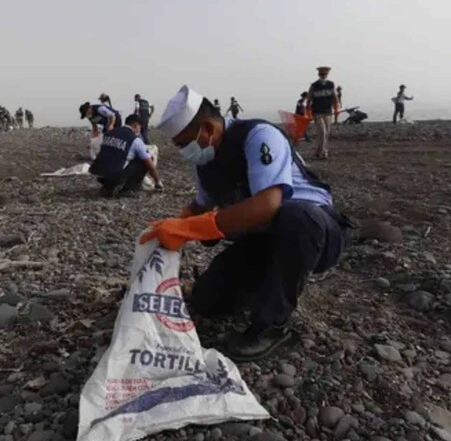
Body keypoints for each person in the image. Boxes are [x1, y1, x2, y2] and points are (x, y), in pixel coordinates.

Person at [143, 85, 347, 362]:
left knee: (296, 216)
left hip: (315, 232)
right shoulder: (206, 161)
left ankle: (274, 325)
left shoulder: (258, 136)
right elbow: (200, 207)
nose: (183, 152)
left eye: (183, 144)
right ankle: (268, 286)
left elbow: (268, 205)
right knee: (207, 300)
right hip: (263, 240)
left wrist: (191, 228)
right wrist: (168, 229)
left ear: (206, 130)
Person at [89, 114, 163, 197]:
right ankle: (127, 189)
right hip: (114, 176)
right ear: (136, 125)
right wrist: (157, 181)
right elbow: (149, 164)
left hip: (98, 174)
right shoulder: (135, 140)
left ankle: (107, 187)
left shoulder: (109, 133)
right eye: (140, 127)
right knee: (145, 160)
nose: (140, 130)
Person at [306, 66, 339, 159]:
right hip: (317, 112)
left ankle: (319, 151)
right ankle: (323, 152)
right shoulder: (314, 85)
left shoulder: (331, 84)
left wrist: (336, 109)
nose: (323, 76)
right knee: (322, 132)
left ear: (327, 75)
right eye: (322, 74)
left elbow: (335, 97)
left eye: (325, 74)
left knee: (326, 133)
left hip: (328, 111)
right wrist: (308, 112)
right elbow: (309, 100)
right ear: (319, 75)